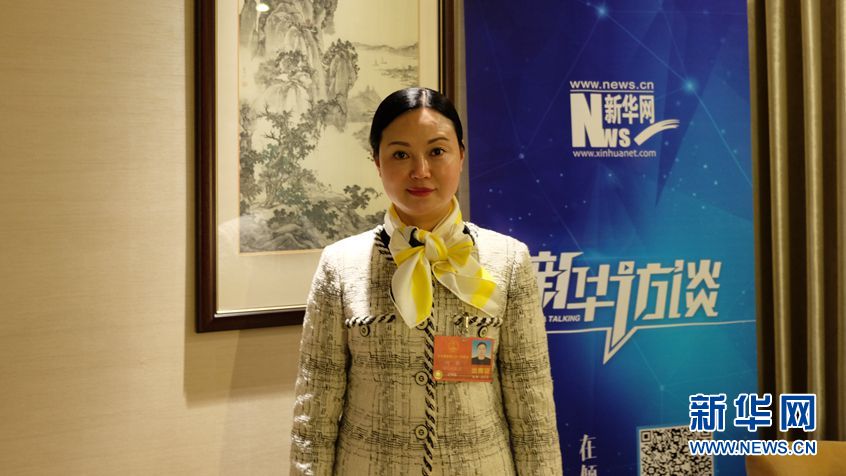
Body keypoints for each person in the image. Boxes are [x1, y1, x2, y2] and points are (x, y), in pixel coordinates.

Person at [290, 87, 562, 475]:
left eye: (436, 151)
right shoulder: (340, 265)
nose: (420, 171)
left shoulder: (508, 260)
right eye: (401, 154)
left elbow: (532, 406)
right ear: (377, 161)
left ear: (461, 155)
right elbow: (314, 413)